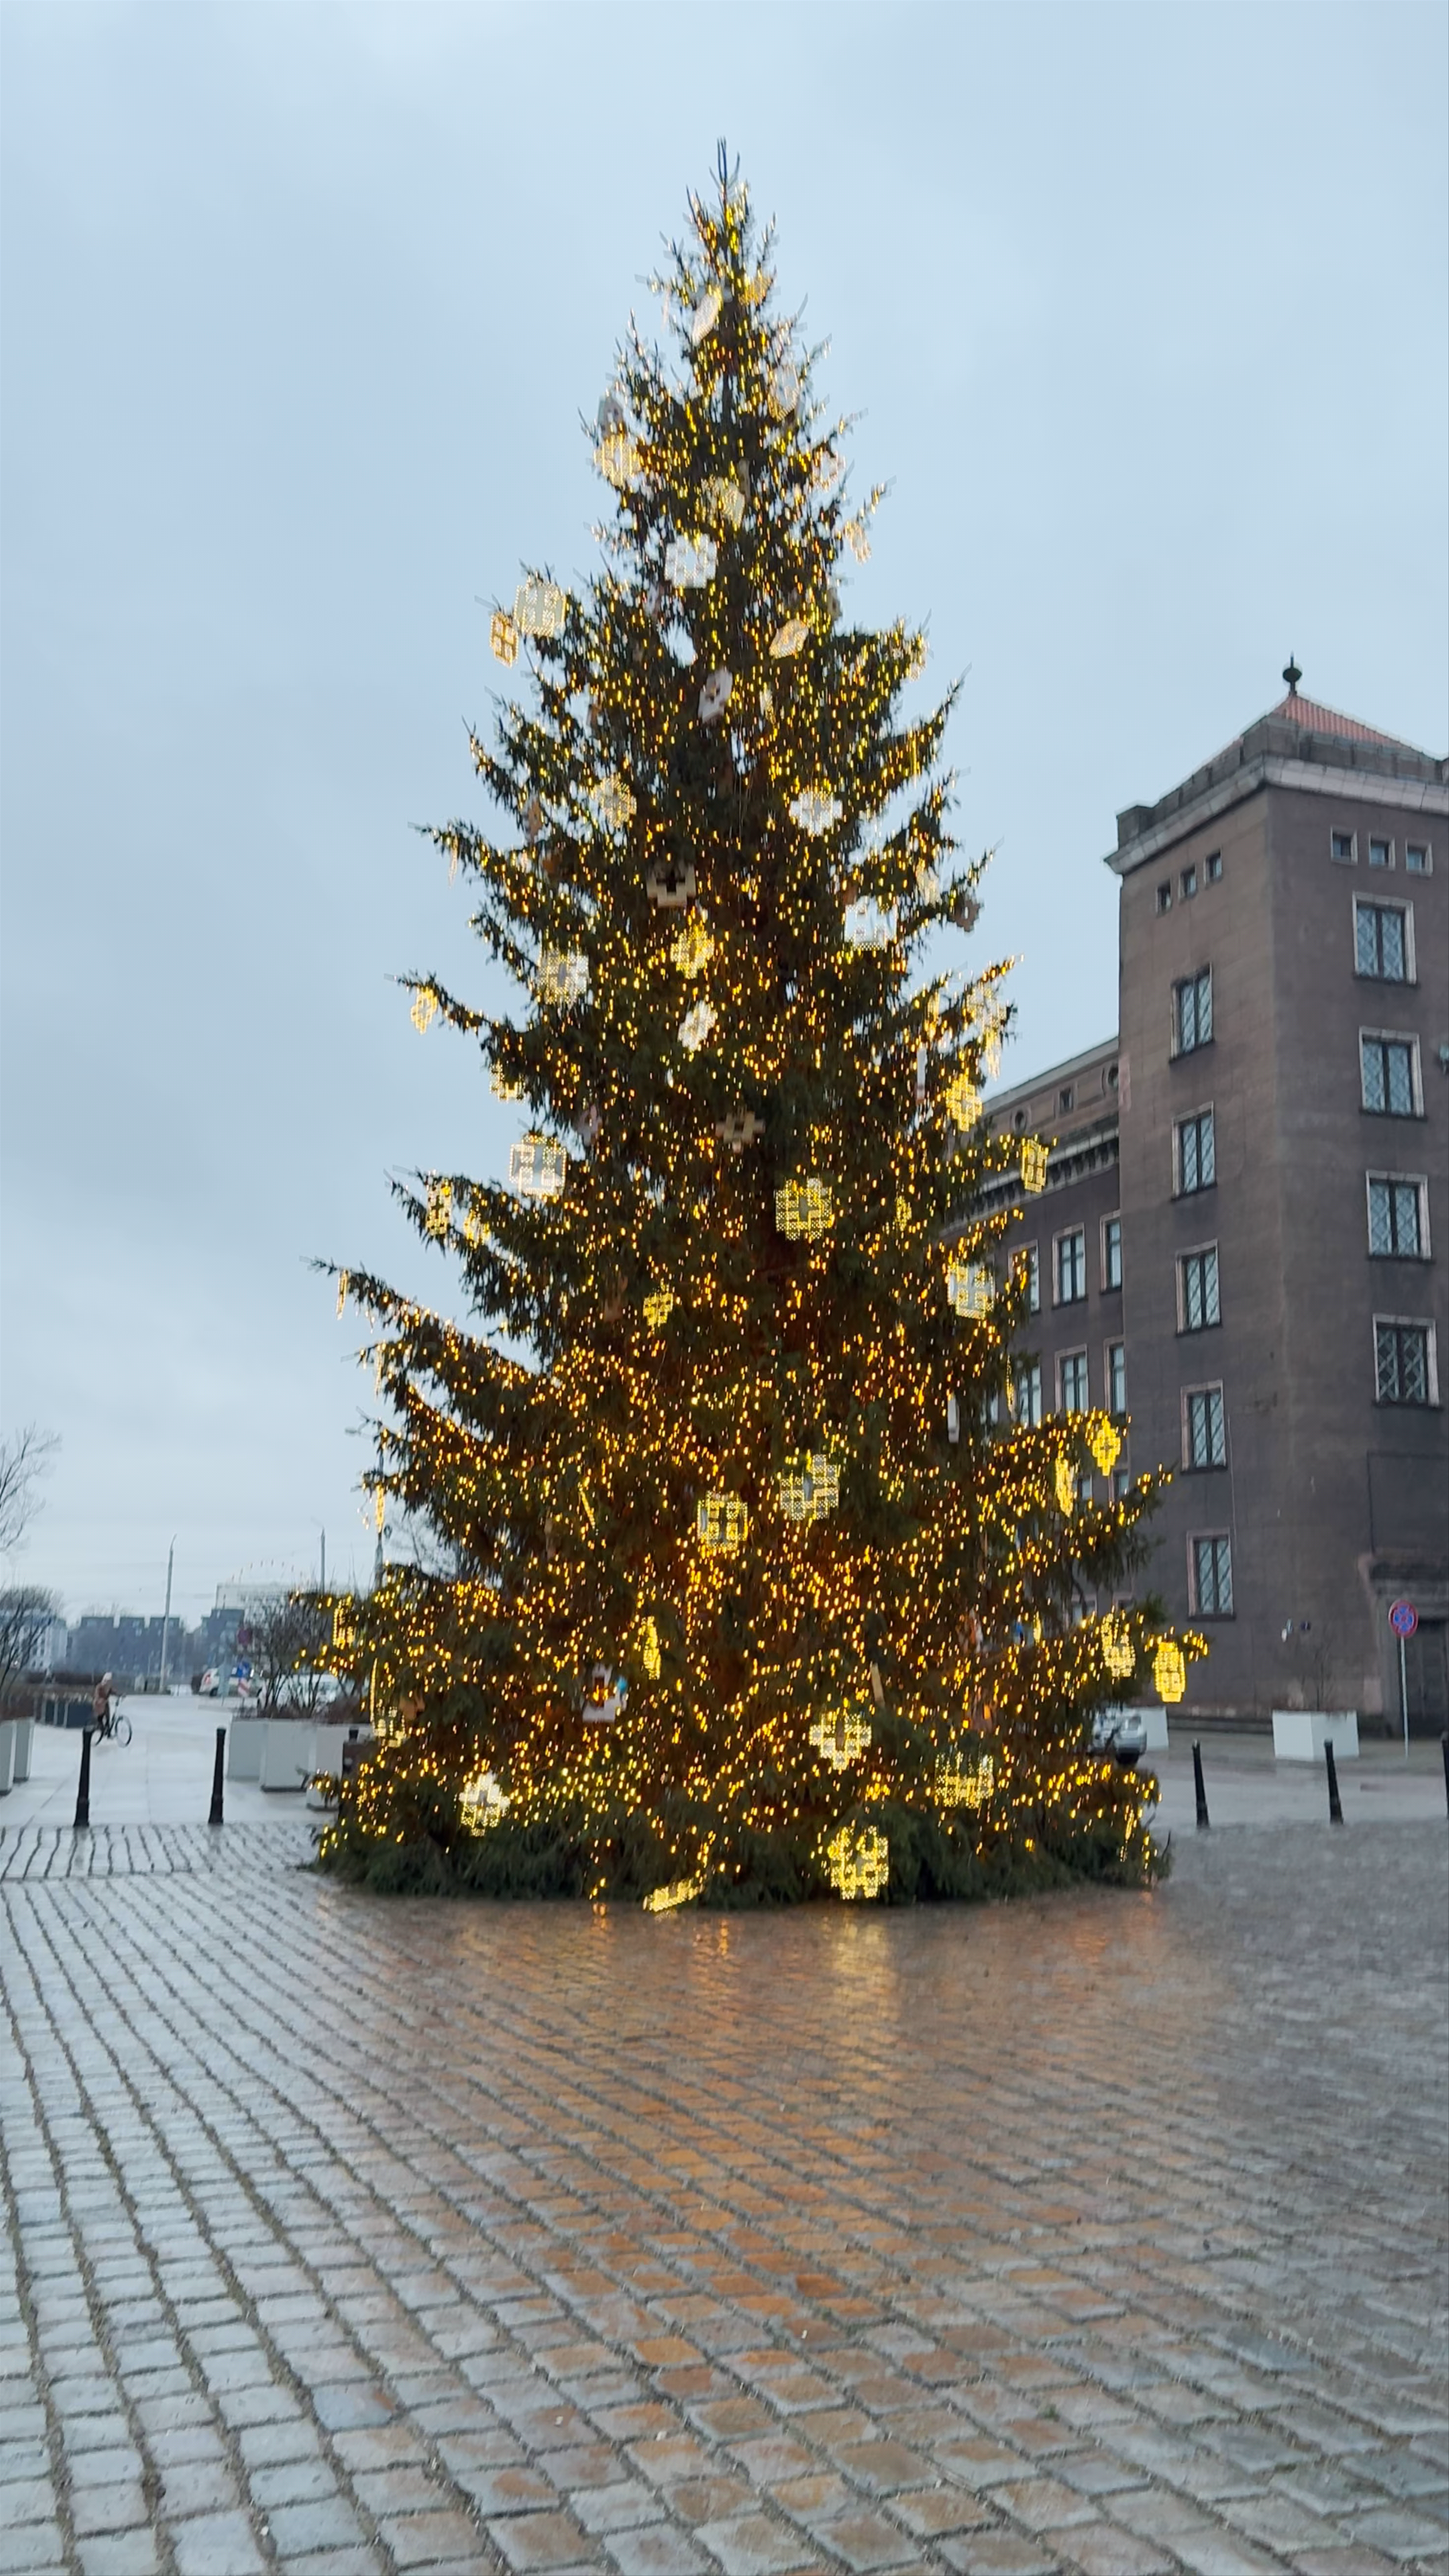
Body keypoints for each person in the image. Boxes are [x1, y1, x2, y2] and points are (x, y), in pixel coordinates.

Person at [91, 1671, 114, 1736]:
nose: (110, 1683)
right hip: (99, 1705)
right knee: (100, 1719)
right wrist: (100, 1700)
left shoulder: (108, 1688)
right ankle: (103, 1731)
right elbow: (97, 1695)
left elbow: (113, 1691)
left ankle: (108, 1733)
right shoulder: (100, 1687)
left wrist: (120, 1695)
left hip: (105, 1704)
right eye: (109, 1681)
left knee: (108, 1718)